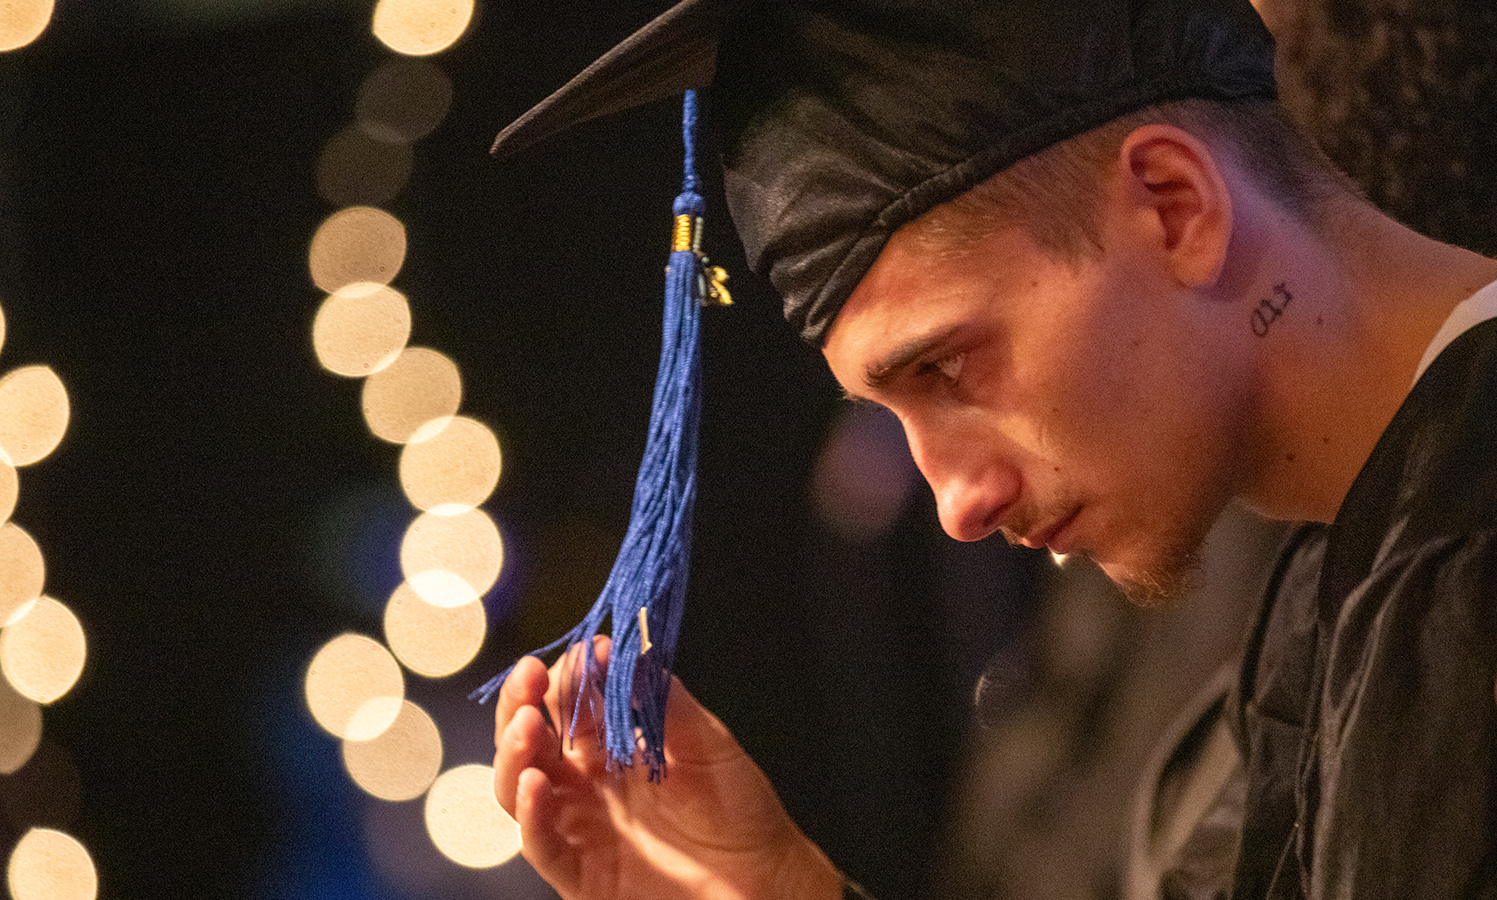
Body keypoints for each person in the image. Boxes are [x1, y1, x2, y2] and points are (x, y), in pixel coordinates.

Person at [489, 0, 1497, 897]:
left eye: (950, 369)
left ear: (1173, 204)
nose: (954, 504)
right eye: (892, 414)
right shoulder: (1321, 627)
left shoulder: (1454, 586)